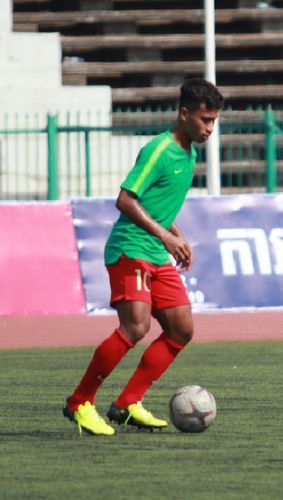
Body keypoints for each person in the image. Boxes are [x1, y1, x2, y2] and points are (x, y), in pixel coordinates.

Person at [63, 78, 224, 435]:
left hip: (155, 250)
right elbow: (126, 199)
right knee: (136, 327)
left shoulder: (189, 152)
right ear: (184, 114)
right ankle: (80, 401)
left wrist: (177, 237)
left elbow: (157, 205)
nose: (210, 128)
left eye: (213, 121)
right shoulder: (159, 150)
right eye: (204, 120)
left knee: (181, 330)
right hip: (130, 249)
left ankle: (127, 403)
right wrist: (166, 236)